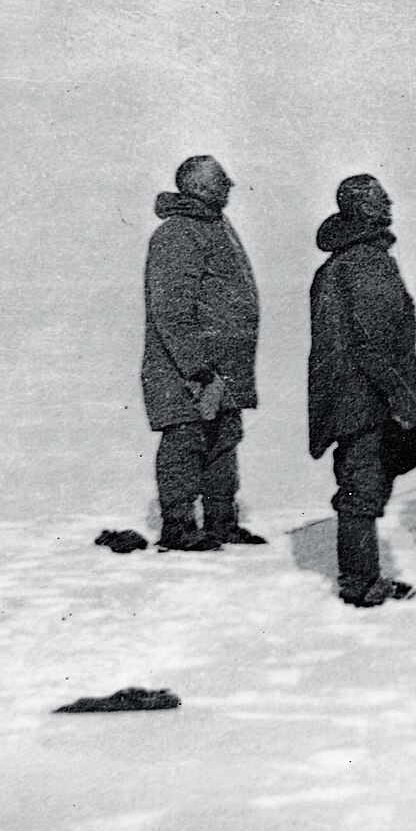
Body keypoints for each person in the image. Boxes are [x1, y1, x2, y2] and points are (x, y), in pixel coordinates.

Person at [308, 175, 416, 607]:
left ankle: (363, 576)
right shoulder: (368, 263)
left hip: (349, 399)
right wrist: (403, 401)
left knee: (361, 486)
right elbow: (373, 345)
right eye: (380, 197)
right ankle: (360, 583)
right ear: (362, 208)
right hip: (367, 401)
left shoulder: (340, 263)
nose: (389, 201)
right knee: (362, 490)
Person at [141, 155, 264, 551]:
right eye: (220, 178)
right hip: (187, 372)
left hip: (219, 368)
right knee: (186, 439)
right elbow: (171, 310)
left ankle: (221, 522)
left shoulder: (213, 226)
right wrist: (198, 369)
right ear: (200, 186)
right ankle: (178, 526)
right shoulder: (178, 232)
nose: (230, 182)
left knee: (223, 440)